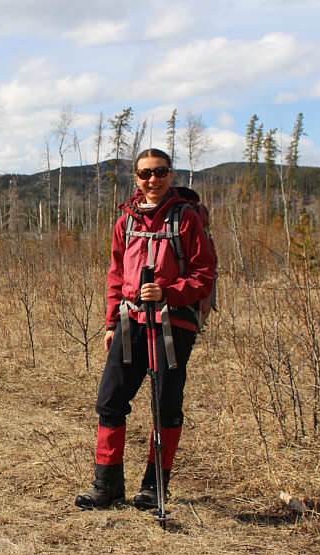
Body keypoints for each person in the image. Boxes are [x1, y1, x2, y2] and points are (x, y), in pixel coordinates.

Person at [75, 148, 217, 509]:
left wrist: (168, 292)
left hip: (173, 324)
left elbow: (205, 274)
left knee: (165, 406)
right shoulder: (126, 220)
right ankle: (107, 486)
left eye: (160, 172)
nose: (152, 180)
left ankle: (154, 487)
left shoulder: (185, 218)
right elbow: (116, 274)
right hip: (129, 321)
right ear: (135, 178)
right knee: (110, 401)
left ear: (171, 174)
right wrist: (110, 322)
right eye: (144, 174)